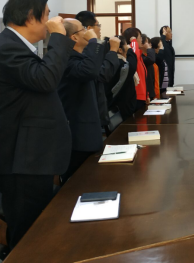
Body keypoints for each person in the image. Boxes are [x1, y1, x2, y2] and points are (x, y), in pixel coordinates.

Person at [0, 0, 74, 251]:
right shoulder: (5, 46)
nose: (50, 21)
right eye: (47, 15)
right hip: (20, 160)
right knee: (28, 233)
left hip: (29, 158)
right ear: (31, 17)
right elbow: (46, 79)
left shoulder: (15, 45)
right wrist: (58, 37)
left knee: (35, 227)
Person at [58, 19, 120, 184]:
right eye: (83, 29)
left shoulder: (82, 58)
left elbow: (98, 73)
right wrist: (94, 41)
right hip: (78, 134)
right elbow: (90, 70)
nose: (88, 31)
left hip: (89, 128)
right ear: (74, 37)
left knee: (91, 179)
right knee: (78, 181)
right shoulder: (67, 59)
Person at [76, 10, 118, 134]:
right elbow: (102, 75)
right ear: (89, 29)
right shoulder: (88, 52)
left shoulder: (93, 49)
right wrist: (113, 51)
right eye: (98, 25)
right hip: (87, 115)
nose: (100, 29)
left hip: (97, 108)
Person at [105, 36, 138, 121]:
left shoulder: (113, 62)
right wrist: (130, 50)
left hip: (122, 105)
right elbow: (132, 66)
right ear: (120, 50)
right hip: (120, 107)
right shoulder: (119, 63)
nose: (128, 47)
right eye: (126, 45)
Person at [123, 27, 147, 111]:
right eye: (140, 37)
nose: (141, 39)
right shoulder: (131, 54)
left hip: (142, 97)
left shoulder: (140, 55)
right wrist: (133, 41)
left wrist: (146, 95)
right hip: (136, 97)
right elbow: (133, 55)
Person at [140, 35, 156, 101]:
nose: (150, 44)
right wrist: (149, 49)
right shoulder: (141, 57)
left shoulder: (144, 56)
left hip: (150, 89)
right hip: (146, 91)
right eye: (147, 42)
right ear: (142, 44)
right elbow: (151, 59)